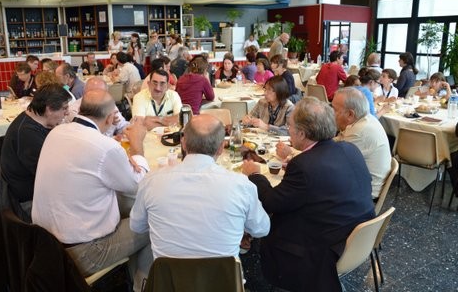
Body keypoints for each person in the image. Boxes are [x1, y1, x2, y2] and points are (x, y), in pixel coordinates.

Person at [241, 97, 375, 292]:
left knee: (267, 222)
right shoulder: (349, 148)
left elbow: (271, 202)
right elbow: (322, 178)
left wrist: (254, 174)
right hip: (357, 236)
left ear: (302, 134)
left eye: (290, 126)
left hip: (323, 250)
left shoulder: (304, 166)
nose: (288, 130)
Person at [32, 90, 152, 291]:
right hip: (83, 254)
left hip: (44, 244)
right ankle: (139, 286)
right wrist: (137, 145)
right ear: (108, 118)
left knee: (127, 209)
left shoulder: (56, 132)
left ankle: (130, 278)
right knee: (153, 219)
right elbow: (138, 184)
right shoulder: (104, 148)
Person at [130, 114, 270, 259]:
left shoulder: (152, 181)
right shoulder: (242, 186)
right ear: (221, 148)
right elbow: (261, 229)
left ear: (183, 143)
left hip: (168, 279)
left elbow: (137, 226)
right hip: (223, 279)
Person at [0, 83, 71, 211]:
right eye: (64, 108)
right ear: (49, 109)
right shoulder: (27, 134)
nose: (67, 113)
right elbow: (51, 177)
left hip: (32, 187)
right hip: (29, 199)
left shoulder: (36, 120)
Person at [333, 87, 392, 200]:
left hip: (365, 193)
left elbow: (332, 161)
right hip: (361, 180)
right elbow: (338, 141)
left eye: (335, 110)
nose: (331, 113)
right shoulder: (365, 118)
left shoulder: (359, 133)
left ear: (350, 114)